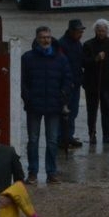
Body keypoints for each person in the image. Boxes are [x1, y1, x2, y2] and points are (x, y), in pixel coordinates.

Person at [20, 25, 71, 183]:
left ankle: (51, 172)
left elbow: (67, 79)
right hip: (34, 105)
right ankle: (33, 172)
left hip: (54, 105)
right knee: (33, 141)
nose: (45, 40)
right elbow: (22, 81)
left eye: (48, 37)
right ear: (37, 38)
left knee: (52, 141)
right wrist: (27, 98)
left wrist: (63, 97)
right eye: (42, 37)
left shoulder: (61, 58)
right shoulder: (27, 58)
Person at [81, 19, 109, 145]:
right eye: (99, 30)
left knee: (107, 110)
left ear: (107, 31)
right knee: (92, 111)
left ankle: (107, 135)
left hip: (108, 83)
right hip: (92, 83)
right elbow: (84, 62)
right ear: (95, 31)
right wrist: (95, 59)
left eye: (103, 31)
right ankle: (92, 134)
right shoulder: (88, 44)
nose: (101, 33)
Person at [57, 19, 85, 148]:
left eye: (81, 31)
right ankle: (60, 138)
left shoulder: (78, 43)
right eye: (79, 31)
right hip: (66, 85)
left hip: (76, 84)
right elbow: (62, 66)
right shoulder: (62, 44)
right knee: (63, 112)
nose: (81, 34)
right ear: (71, 31)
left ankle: (69, 136)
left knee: (73, 112)